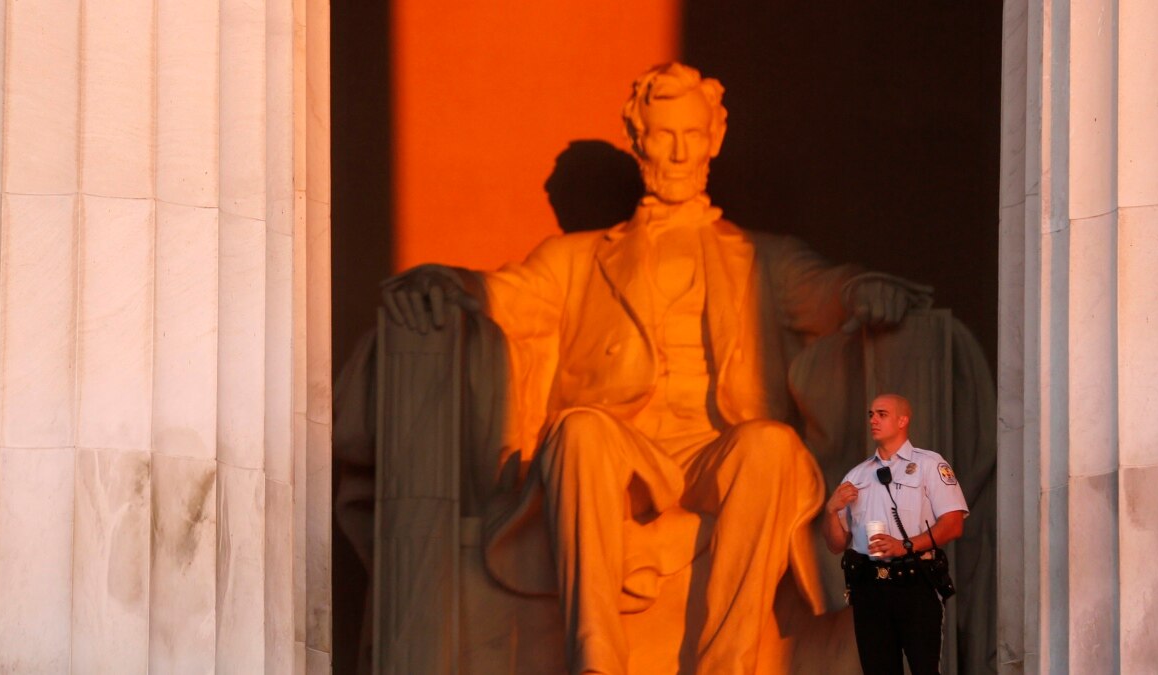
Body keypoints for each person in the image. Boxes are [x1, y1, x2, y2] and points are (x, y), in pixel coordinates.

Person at [383, 63, 929, 675]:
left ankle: (728, 665)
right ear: (638, 140)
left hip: (719, 456)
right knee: (578, 430)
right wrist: (443, 282)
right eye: (663, 134)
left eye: (690, 136)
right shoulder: (576, 259)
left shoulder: (763, 258)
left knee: (772, 446)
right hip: (626, 460)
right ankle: (595, 659)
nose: (676, 152)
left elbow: (830, 290)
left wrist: (867, 290)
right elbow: (503, 295)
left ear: (713, 140)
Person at [822, 393, 968, 675]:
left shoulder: (929, 464)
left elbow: (953, 524)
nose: (873, 420)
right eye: (870, 414)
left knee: (924, 669)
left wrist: (905, 546)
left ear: (903, 420)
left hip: (914, 583)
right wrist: (830, 510)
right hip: (869, 589)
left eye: (882, 414)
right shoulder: (857, 475)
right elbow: (836, 543)